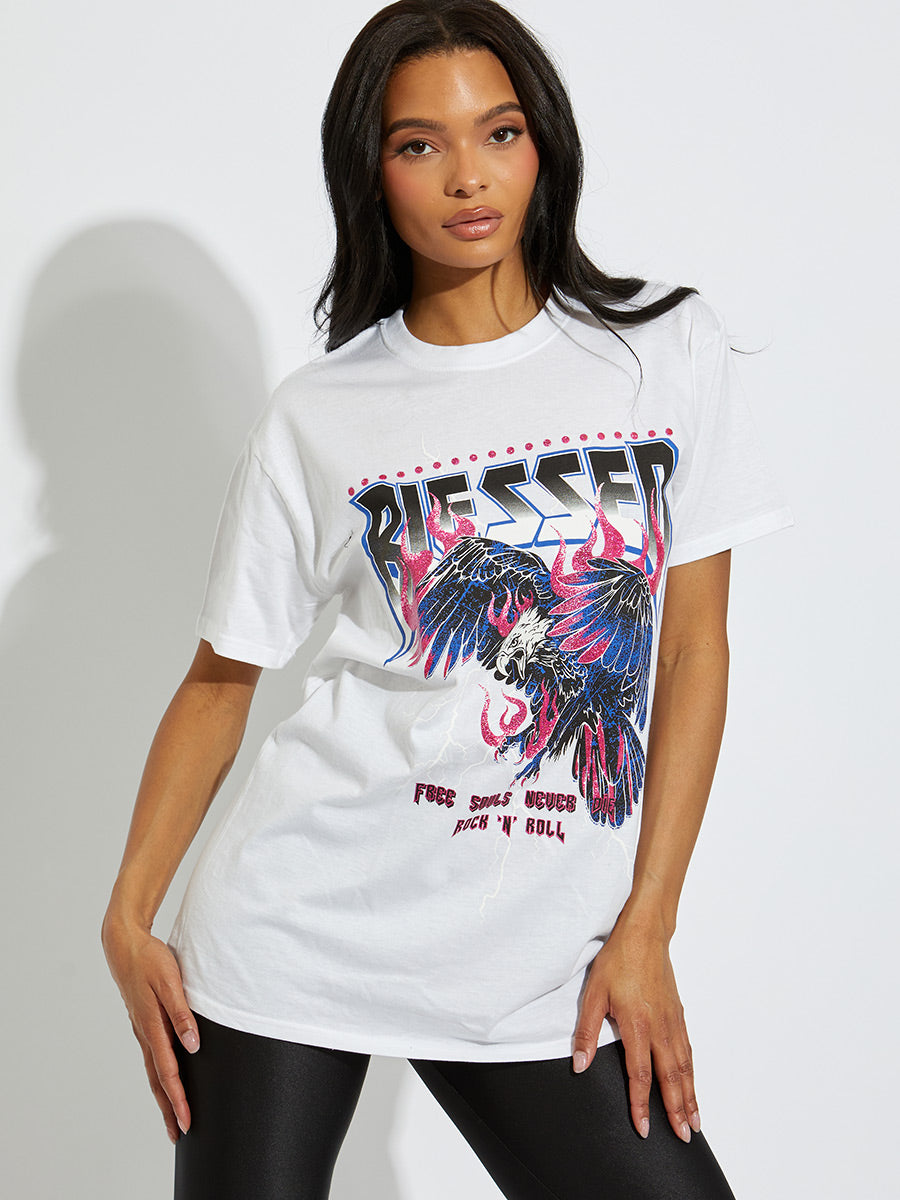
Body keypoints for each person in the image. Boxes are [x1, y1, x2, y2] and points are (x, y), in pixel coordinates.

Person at [101, 2, 793, 1196]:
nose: (469, 177)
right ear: (369, 171)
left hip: (540, 953)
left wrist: (648, 923)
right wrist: (126, 915)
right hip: (296, 926)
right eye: (419, 144)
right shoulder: (321, 413)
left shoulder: (660, 351)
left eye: (500, 132)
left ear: (544, 144)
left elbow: (694, 650)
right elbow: (222, 681)